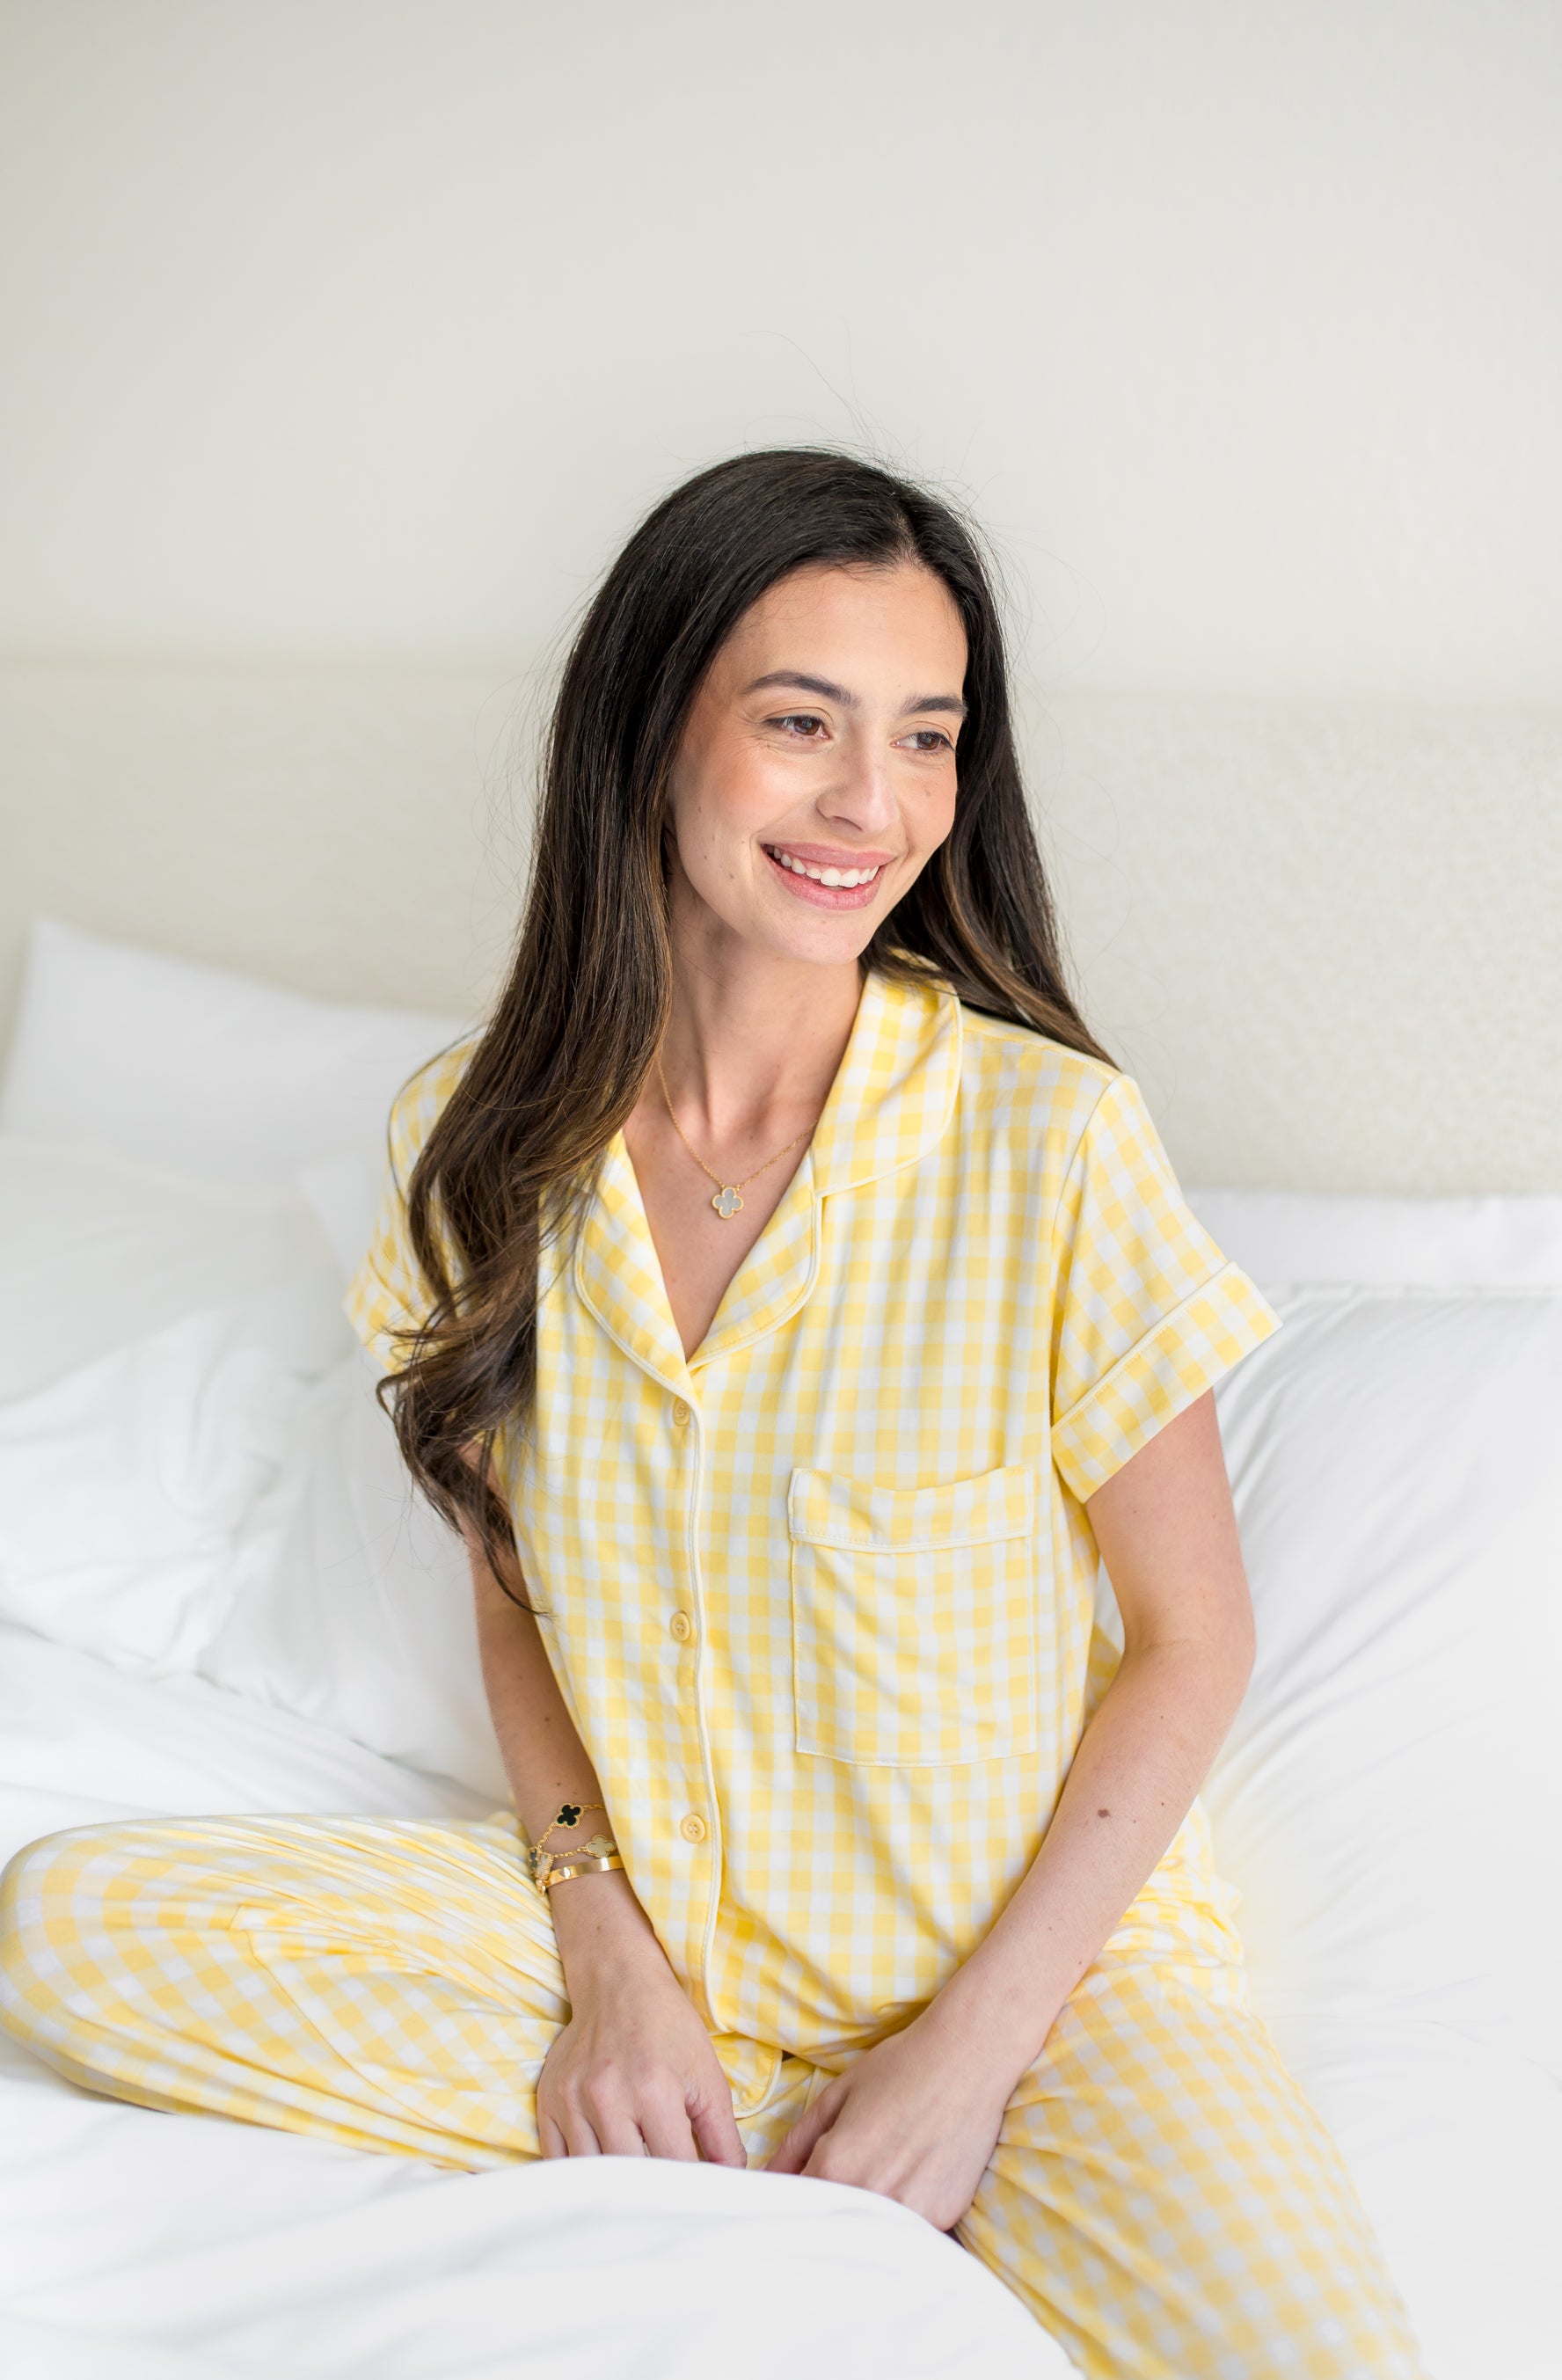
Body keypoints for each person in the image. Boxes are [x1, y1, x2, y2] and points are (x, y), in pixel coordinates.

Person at [0, 450, 1425, 2379]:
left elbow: (1194, 1638)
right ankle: (729, 2124)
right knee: (76, 1928)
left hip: (1043, 1985)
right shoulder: (474, 1143)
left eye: (926, 738)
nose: (874, 803)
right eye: (800, 724)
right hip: (658, 1946)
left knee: (1317, 2354)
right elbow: (510, 1582)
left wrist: (966, 2059)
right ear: (649, 730)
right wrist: (605, 1960)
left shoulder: (1047, 1142)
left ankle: (837, 2143)